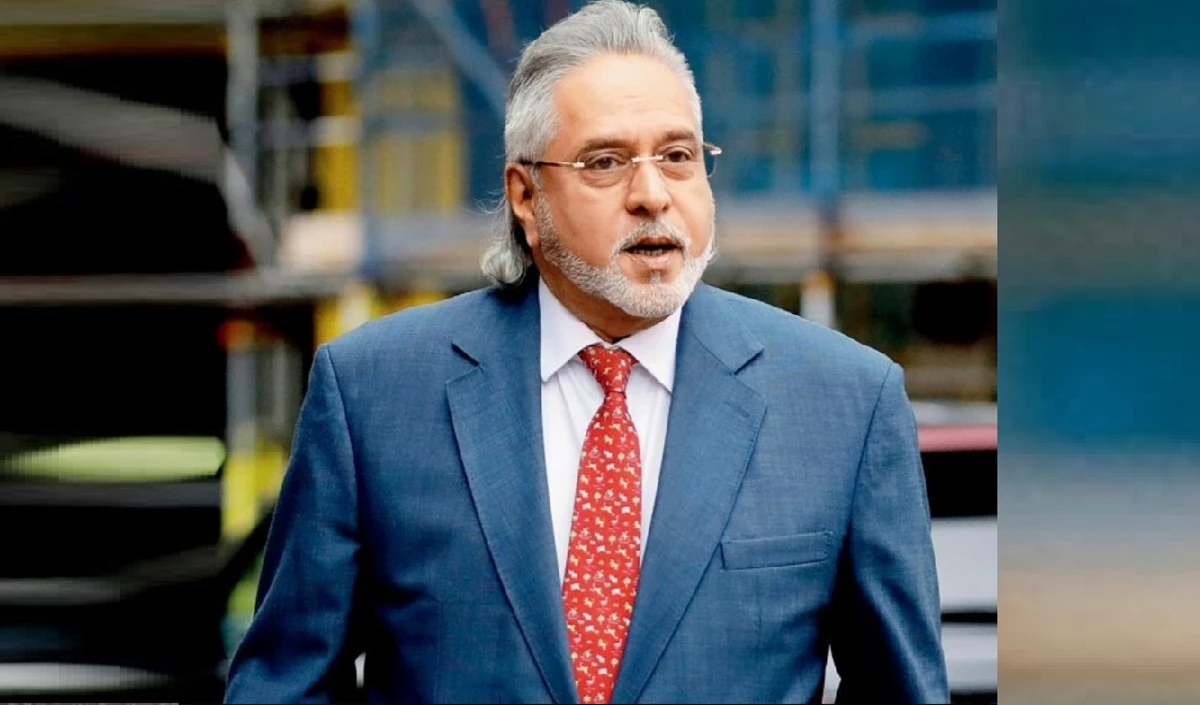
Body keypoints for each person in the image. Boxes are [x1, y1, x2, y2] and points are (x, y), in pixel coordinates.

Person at [223, 1, 948, 702]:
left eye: (678, 156)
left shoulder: (845, 403)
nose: (652, 194)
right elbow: (284, 684)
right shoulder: (373, 392)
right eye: (605, 161)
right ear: (526, 196)